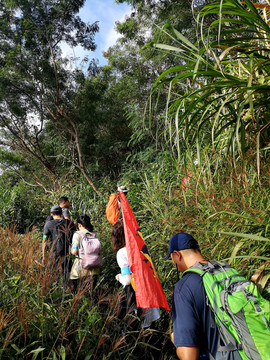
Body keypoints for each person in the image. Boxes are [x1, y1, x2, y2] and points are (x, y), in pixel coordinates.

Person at [165, 232, 223, 360]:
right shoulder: (227, 271)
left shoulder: (184, 287)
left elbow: (189, 356)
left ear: (177, 255)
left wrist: (178, 342)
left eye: (172, 259)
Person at [111, 220, 160, 328]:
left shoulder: (122, 253)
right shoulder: (141, 248)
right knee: (152, 328)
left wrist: (119, 277)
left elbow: (127, 280)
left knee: (139, 328)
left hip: (137, 295)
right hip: (149, 292)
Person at [42, 205, 75, 286]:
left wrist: (44, 256)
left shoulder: (48, 224)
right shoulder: (69, 223)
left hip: (54, 252)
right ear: (61, 213)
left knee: (54, 273)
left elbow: (44, 241)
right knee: (67, 273)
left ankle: (56, 290)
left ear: (51, 214)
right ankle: (67, 290)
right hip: (67, 252)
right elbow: (75, 237)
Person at [70, 214, 102, 294]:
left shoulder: (77, 234)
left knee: (79, 293)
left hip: (80, 270)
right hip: (95, 269)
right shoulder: (95, 234)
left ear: (79, 225)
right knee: (91, 293)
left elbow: (74, 251)